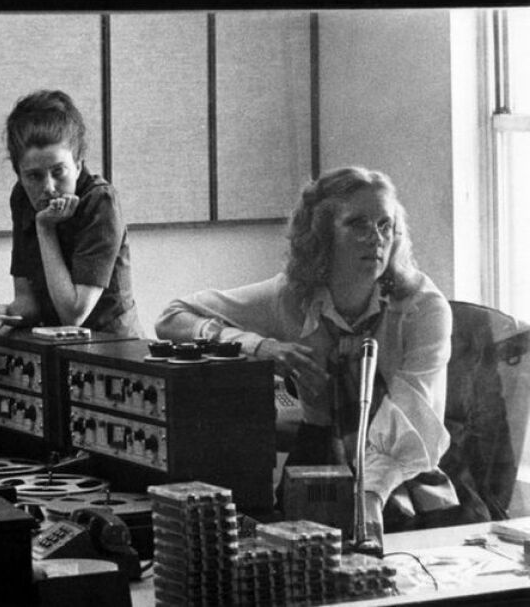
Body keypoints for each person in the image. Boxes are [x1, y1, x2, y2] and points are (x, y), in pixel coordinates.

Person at [155, 166, 458, 539]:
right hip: (320, 460)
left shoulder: (422, 309)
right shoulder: (291, 298)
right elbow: (173, 317)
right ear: (323, 233)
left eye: (385, 225)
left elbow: (412, 429)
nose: (376, 239)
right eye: (358, 224)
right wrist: (261, 346)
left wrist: (366, 500)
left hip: (402, 479)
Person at [0, 90, 142, 337]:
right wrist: (5, 314)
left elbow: (74, 314)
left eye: (58, 172)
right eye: (33, 176)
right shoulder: (22, 197)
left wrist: (44, 228)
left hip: (112, 346)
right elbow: (28, 303)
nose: (49, 188)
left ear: (78, 165)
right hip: (55, 344)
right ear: (19, 175)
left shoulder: (101, 201)